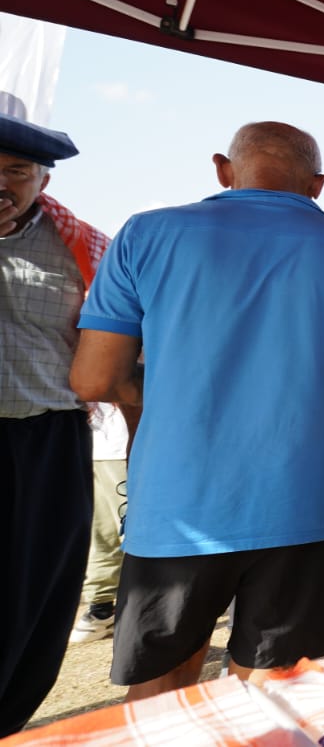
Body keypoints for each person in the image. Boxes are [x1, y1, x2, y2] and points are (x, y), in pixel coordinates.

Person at [71, 122, 324, 700]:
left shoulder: (146, 234)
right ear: (319, 184)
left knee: (163, 692)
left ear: (224, 170)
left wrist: (179, 393)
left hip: (179, 506)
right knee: (275, 693)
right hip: (316, 501)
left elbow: (95, 377)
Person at [0, 114, 110, 735]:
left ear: (42, 180)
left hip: (50, 439)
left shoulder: (84, 246)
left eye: (19, 171)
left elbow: (126, 346)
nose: (5, 184)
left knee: (40, 593)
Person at [70, 402, 129, 643]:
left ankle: (100, 609)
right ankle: (105, 609)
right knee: (131, 534)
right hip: (119, 446)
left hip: (96, 446)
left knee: (102, 534)